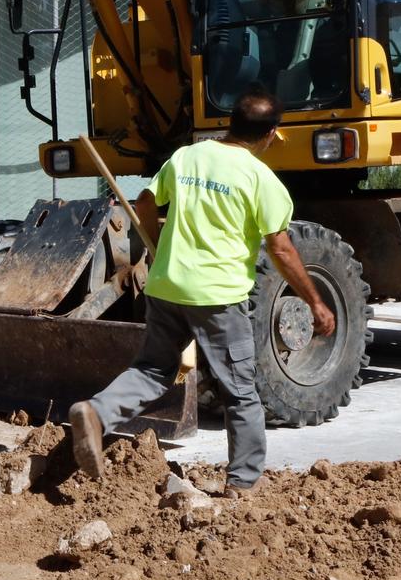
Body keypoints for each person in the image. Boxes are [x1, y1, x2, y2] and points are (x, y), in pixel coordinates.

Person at [68, 90, 336, 495]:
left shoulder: (186, 157)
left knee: (152, 371)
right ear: (269, 135)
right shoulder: (261, 179)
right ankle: (243, 485)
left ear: (231, 124)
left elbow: (144, 201)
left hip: (166, 285)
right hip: (217, 298)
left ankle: (95, 412)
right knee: (240, 392)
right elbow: (280, 248)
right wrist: (316, 301)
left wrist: (156, 249)